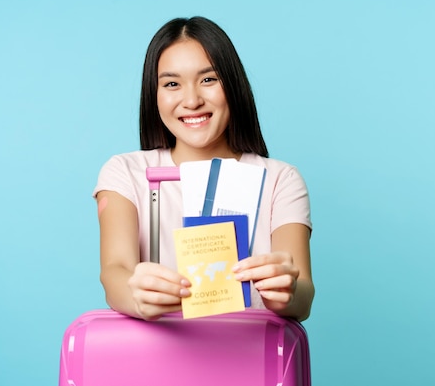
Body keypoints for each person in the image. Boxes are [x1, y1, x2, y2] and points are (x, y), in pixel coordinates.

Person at [93, 16, 314, 322]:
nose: (192, 100)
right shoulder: (125, 172)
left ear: (233, 85)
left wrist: (286, 291)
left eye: (209, 79)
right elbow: (115, 271)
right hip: (156, 361)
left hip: (253, 360)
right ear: (153, 95)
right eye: (172, 84)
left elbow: (303, 296)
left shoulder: (280, 179)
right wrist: (136, 295)